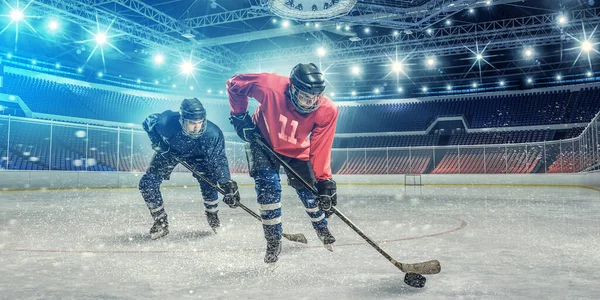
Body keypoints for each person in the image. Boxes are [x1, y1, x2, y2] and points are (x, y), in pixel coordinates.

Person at [226, 63, 338, 264]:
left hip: (296, 149)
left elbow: (320, 147)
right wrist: (239, 115)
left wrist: (324, 180)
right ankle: (273, 241)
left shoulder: (327, 110)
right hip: (262, 140)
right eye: (305, 96)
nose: (311, 103)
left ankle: (322, 228)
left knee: (309, 192)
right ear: (293, 88)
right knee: (268, 187)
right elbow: (234, 83)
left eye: (316, 97)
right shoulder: (271, 85)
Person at [139, 98, 240, 240]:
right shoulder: (167, 122)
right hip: (171, 152)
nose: (197, 127)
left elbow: (219, 160)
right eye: (192, 123)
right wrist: (158, 143)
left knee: (209, 181)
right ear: (182, 120)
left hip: (200, 156)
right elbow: (148, 122)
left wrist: (226, 183)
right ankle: (160, 221)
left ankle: (212, 215)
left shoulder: (213, 134)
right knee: (147, 183)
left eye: (200, 122)